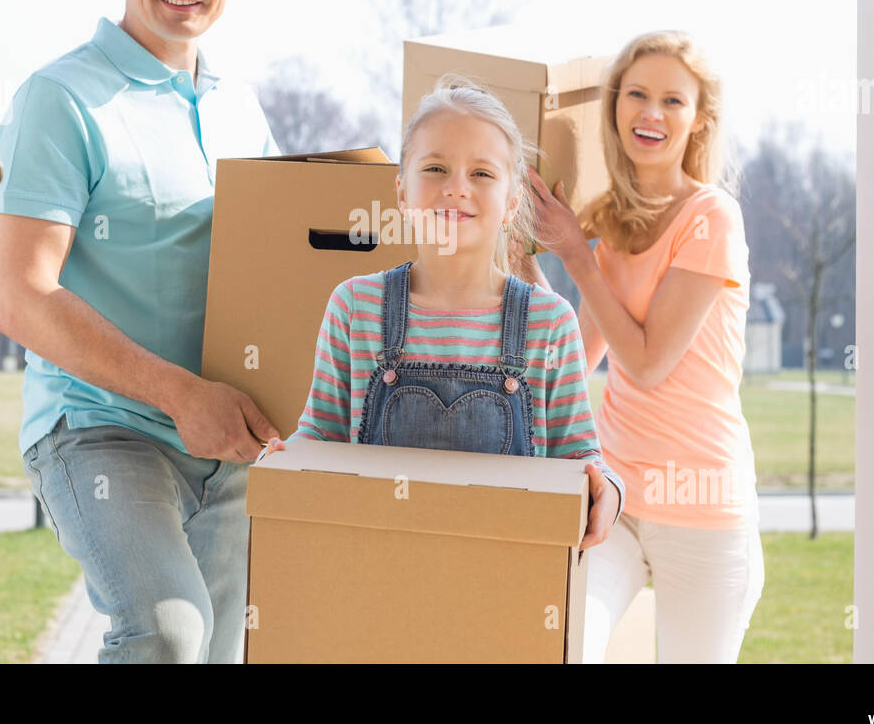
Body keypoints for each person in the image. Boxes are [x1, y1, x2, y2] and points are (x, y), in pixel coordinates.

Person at [0, 0, 281, 664]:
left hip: (230, 436)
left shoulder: (241, 110)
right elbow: (20, 297)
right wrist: (183, 396)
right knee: (168, 631)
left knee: (222, 650)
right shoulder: (60, 99)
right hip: (102, 428)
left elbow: (285, 267)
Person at [266, 76, 623, 549]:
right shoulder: (355, 306)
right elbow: (321, 434)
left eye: (482, 174)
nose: (456, 188)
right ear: (401, 192)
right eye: (435, 168)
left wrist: (609, 492)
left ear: (512, 201)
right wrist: (288, 458)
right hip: (372, 569)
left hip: (503, 575)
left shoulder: (549, 323)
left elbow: (579, 457)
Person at [524, 30, 764, 663]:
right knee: (562, 646)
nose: (651, 113)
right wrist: (518, 256)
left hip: (704, 508)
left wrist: (575, 253)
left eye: (672, 101)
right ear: (615, 108)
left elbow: (649, 362)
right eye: (636, 94)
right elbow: (577, 356)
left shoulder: (712, 216)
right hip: (619, 499)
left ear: (699, 120)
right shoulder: (609, 220)